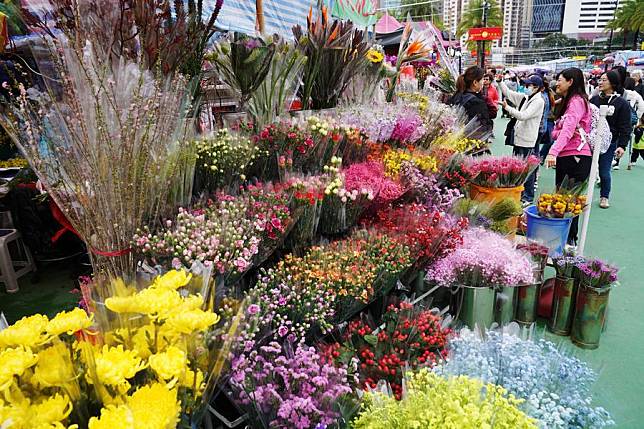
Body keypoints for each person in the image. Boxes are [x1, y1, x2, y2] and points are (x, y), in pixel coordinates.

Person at [544, 68, 592, 245]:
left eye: (560, 79)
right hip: (569, 156)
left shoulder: (577, 102)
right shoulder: (568, 101)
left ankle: (569, 242)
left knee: (570, 203)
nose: (557, 82)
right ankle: (563, 240)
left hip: (576, 157)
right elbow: (560, 131)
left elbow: (567, 130)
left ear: (571, 82)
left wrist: (552, 152)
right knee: (562, 201)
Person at [499, 74, 545, 204]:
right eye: (526, 85)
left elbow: (523, 116)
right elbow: (509, 93)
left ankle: (528, 197)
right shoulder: (526, 98)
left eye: (529, 85)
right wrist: (499, 82)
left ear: (537, 88)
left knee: (527, 170)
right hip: (520, 138)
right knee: (518, 167)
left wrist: (507, 108)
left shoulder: (538, 101)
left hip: (527, 140)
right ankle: (520, 193)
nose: (526, 87)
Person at [589, 71, 632, 209]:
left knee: (604, 171)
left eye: (604, 80)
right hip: (590, 140)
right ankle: (582, 195)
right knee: (584, 169)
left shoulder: (621, 103)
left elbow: (625, 126)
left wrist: (622, 146)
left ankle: (604, 197)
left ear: (613, 83)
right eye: (600, 80)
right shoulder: (593, 100)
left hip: (609, 143)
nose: (600, 82)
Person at [448, 66, 493, 140]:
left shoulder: (456, 96)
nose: (483, 82)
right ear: (475, 82)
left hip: (453, 139)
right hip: (470, 142)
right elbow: (484, 128)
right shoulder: (477, 102)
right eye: (482, 80)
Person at [621, 77, 644, 170]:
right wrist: (637, 117)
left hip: (620, 118)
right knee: (629, 137)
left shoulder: (622, 93)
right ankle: (629, 161)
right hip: (631, 119)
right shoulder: (636, 95)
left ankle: (616, 161)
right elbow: (642, 107)